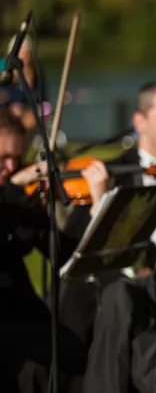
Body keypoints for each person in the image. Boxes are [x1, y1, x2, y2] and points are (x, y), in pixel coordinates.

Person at [59, 80, 156, 349]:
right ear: (139, 121)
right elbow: (70, 250)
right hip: (123, 307)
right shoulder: (111, 174)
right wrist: (101, 202)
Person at [0, 107, 86, 393]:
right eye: (3, 159)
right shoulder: (10, 199)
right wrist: (11, 193)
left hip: (24, 314)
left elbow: (62, 254)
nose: (12, 168)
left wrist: (64, 210)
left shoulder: (17, 201)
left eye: (17, 158)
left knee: (71, 352)